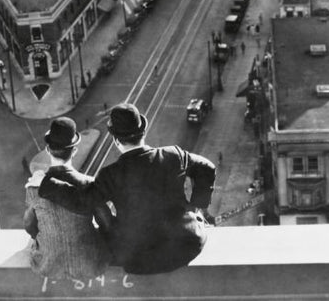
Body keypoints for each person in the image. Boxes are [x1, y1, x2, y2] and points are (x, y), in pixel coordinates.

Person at [39, 103, 217, 275]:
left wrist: (49, 185)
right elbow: (207, 167)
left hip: (141, 260)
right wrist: (196, 205)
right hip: (186, 246)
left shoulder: (111, 174)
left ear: (116, 140)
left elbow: (83, 202)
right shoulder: (174, 155)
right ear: (143, 132)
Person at [23, 117, 111, 280]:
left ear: (48, 150)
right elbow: (107, 224)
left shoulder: (34, 187)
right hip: (90, 265)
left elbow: (29, 225)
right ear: (75, 151)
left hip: (47, 266)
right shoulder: (90, 184)